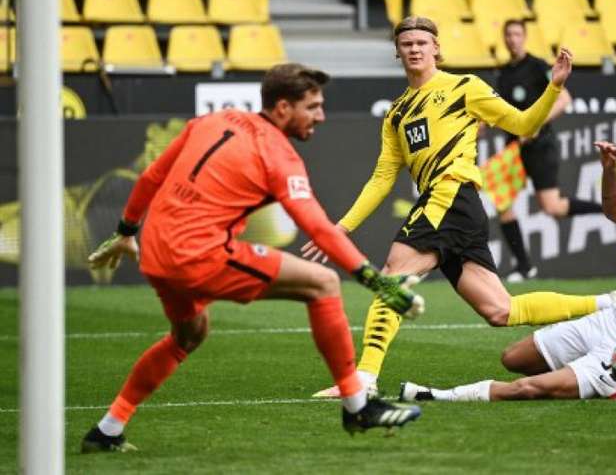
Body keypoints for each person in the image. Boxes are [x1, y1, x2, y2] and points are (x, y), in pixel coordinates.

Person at [80, 63, 425, 453]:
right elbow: (319, 228)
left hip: (156, 251)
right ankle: (358, 406)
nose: (321, 116)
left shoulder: (210, 121)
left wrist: (126, 232)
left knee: (188, 335)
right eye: (312, 107)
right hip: (197, 253)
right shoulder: (278, 155)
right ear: (282, 108)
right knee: (323, 283)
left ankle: (108, 429)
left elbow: (150, 178)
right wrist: (374, 279)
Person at [304, 16, 609, 399]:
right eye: (407, 43)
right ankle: (608, 303)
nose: (414, 48)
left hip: (450, 196)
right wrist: (343, 227)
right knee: (501, 310)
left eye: (421, 42)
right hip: (453, 208)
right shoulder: (396, 112)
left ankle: (363, 378)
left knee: (392, 277)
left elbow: (523, 123)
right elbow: (383, 177)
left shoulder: (464, 87)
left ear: (436, 48)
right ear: (397, 52)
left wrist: (553, 87)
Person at [399, 141, 616, 402]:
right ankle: (579, 375)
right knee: (513, 358)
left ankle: (439, 395)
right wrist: (610, 168)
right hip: (607, 321)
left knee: (526, 389)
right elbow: (614, 208)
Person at [491, 19, 603, 283]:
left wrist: (535, 125)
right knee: (503, 204)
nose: (513, 39)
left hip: (541, 146)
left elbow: (564, 99)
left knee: (551, 207)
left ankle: (612, 209)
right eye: (508, 34)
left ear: (525, 37)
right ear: (504, 39)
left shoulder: (537, 66)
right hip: (513, 148)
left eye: (517, 34)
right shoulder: (504, 73)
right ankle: (525, 266)